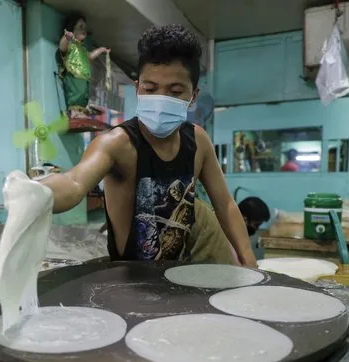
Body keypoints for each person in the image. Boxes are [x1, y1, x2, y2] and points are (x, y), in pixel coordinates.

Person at [40, 24, 256, 266]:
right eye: (150, 89)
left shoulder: (198, 141)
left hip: (181, 278)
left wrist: (250, 265)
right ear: (137, 88)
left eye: (174, 91)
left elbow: (225, 204)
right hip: (130, 288)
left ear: (193, 96)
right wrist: (34, 194)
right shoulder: (118, 144)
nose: (161, 99)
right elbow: (74, 183)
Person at [57, 14, 110, 118]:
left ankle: (81, 112)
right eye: (80, 27)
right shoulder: (70, 45)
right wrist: (66, 38)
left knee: (84, 95)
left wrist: (101, 50)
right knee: (76, 94)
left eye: (85, 28)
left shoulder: (83, 49)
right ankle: (73, 112)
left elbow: (89, 56)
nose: (84, 30)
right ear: (72, 29)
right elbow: (62, 47)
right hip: (73, 75)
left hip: (84, 77)